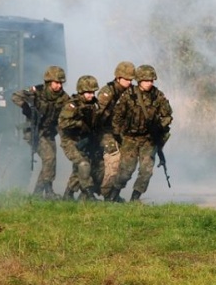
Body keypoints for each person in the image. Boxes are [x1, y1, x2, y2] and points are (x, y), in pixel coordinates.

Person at [109, 64, 173, 203]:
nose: (150, 83)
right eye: (146, 80)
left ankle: (135, 198)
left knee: (147, 171)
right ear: (139, 80)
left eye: (151, 80)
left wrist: (159, 126)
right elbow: (117, 116)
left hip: (148, 139)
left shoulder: (158, 96)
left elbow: (168, 115)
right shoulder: (129, 95)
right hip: (130, 138)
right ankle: (113, 195)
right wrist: (118, 135)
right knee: (126, 171)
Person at [11, 66, 70, 199]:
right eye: (56, 83)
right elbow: (15, 96)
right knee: (49, 158)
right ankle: (44, 192)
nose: (59, 86)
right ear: (49, 82)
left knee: (51, 161)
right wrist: (25, 107)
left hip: (49, 133)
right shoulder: (36, 91)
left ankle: (43, 192)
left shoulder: (63, 98)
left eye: (61, 83)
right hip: (34, 131)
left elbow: (68, 111)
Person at [59, 75, 103, 201]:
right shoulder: (72, 105)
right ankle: (89, 195)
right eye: (88, 92)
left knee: (79, 169)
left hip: (86, 141)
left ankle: (68, 195)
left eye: (93, 92)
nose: (91, 95)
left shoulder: (95, 105)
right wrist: (79, 124)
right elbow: (62, 124)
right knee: (83, 165)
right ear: (81, 91)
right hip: (70, 141)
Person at [96, 61, 136, 201]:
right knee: (113, 158)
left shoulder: (131, 92)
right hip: (105, 131)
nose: (130, 82)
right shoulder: (108, 92)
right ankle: (107, 194)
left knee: (125, 163)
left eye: (131, 79)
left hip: (121, 132)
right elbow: (96, 115)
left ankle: (113, 193)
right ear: (118, 77)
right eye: (127, 79)